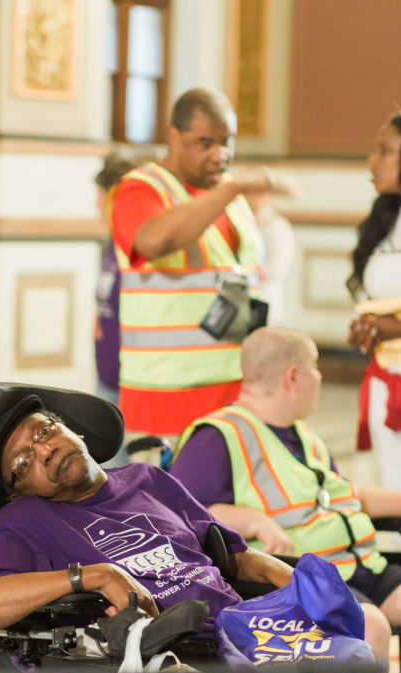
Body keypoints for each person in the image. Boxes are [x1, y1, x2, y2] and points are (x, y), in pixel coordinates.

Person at [0, 391, 293, 640]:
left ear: (73, 431)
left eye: (45, 432)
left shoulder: (148, 479)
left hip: (248, 625)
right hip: (167, 656)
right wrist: (95, 575)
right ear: (19, 491)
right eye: (23, 463)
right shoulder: (21, 520)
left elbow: (237, 558)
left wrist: (302, 581)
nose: (45, 452)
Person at [172, 326, 401, 666]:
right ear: (293, 376)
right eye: (316, 366)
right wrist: (256, 521)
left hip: (363, 567)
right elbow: (180, 515)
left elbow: (341, 495)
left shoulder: (302, 435)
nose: (320, 377)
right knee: (372, 630)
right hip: (304, 582)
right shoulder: (216, 437)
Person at [110, 86, 294, 442]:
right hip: (166, 399)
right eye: (205, 143)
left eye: (227, 142)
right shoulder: (141, 188)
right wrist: (229, 190)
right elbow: (155, 240)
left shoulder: (230, 194)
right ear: (174, 137)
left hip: (237, 392)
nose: (220, 155)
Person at [348, 112, 401, 490]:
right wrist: (367, 326)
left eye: (385, 151)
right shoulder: (388, 217)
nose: (373, 160)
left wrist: (393, 327)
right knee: (392, 483)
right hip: (386, 374)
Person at [94, 154, 136, 409]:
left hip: (128, 381)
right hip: (107, 372)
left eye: (100, 197)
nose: (96, 205)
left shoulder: (138, 247)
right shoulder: (113, 243)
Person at [245, 189, 296, 325]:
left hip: (266, 298)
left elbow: (278, 268)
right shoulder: (244, 220)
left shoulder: (276, 226)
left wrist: (245, 271)